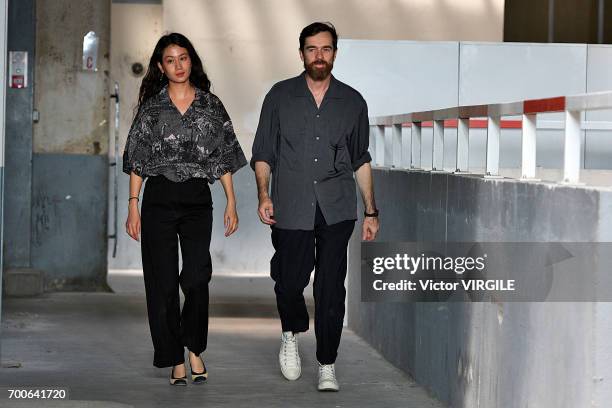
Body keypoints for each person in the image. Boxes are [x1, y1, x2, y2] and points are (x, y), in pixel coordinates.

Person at [251, 22, 379, 392]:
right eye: (311, 49)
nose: (319, 55)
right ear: (301, 53)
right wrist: (264, 194)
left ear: (335, 53)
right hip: (291, 204)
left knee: (330, 286)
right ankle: (290, 332)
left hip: (337, 207)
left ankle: (327, 362)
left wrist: (371, 210)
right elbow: (263, 153)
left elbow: (360, 159)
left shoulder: (353, 102)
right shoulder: (279, 96)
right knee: (289, 280)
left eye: (325, 49)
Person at [123, 33, 247, 386]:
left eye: (183, 58)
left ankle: (194, 345)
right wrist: (133, 206)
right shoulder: (151, 108)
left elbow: (223, 156)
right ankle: (174, 356)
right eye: (170, 60)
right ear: (161, 67)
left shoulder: (210, 105)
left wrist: (232, 202)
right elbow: (137, 161)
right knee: (161, 281)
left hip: (196, 199)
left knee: (196, 276)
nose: (178, 65)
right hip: (158, 197)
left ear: (192, 60)